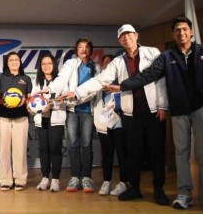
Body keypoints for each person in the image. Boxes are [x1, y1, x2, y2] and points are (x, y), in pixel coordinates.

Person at [111, 17, 203, 212]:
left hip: (201, 109)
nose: (181, 33)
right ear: (173, 34)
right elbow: (149, 75)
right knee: (181, 153)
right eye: (177, 30)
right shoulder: (167, 56)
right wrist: (123, 86)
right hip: (178, 111)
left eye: (184, 29)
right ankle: (184, 194)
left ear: (191, 32)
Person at [63, 25, 170, 205]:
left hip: (153, 112)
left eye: (129, 34)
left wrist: (163, 106)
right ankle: (134, 188)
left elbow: (160, 80)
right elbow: (99, 80)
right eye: (122, 36)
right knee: (133, 154)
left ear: (136, 36)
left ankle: (159, 190)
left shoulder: (152, 52)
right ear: (119, 41)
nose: (126, 38)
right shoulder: (118, 62)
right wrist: (77, 92)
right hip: (130, 113)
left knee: (156, 152)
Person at [45, 38, 100, 193]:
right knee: (73, 144)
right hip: (72, 111)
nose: (84, 49)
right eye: (81, 47)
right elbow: (61, 80)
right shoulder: (70, 64)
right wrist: (49, 90)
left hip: (88, 111)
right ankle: (75, 177)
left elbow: (95, 90)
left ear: (91, 50)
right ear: (76, 50)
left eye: (87, 47)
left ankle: (86, 178)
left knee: (87, 144)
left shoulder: (96, 67)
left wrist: (78, 96)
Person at [0, 51, 32, 191]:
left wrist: (23, 101)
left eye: (16, 60)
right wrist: (3, 102)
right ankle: (5, 180)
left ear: (20, 62)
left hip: (21, 117)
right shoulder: (0, 77)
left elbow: (29, 98)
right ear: (7, 63)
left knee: (20, 150)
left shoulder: (26, 78)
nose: (14, 62)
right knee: (3, 150)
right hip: (2, 117)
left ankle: (20, 179)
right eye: (11, 60)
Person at [30, 54, 66, 192]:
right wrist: (31, 108)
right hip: (41, 120)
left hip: (56, 120)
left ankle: (55, 179)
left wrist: (51, 104)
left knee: (55, 150)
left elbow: (67, 100)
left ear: (54, 65)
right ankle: (45, 178)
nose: (46, 66)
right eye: (43, 64)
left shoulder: (61, 81)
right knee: (44, 150)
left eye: (49, 63)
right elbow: (32, 99)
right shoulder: (37, 81)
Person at [93, 55, 128, 196]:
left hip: (119, 123)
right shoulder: (98, 83)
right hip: (103, 124)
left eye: (110, 63)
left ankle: (123, 182)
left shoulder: (122, 81)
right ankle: (106, 181)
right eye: (105, 63)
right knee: (106, 154)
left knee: (122, 154)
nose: (107, 65)